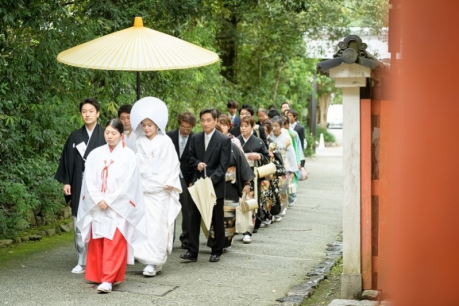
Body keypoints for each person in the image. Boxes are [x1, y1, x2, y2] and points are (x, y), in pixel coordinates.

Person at [76, 119, 147, 293]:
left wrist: (110, 199)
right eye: (107, 132)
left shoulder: (128, 155)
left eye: (114, 133)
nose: (109, 136)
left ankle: (108, 279)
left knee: (114, 242)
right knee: (98, 240)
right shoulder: (95, 154)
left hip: (118, 206)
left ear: (121, 135)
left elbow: (129, 183)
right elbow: (89, 179)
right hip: (97, 204)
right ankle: (101, 275)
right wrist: (98, 198)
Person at [131, 97, 182, 277]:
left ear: (157, 125)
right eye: (144, 125)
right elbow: (135, 165)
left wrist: (171, 181)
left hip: (161, 190)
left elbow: (173, 163)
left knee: (158, 226)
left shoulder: (165, 141)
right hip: (144, 189)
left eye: (150, 125)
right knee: (143, 225)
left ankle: (155, 260)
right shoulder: (139, 142)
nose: (146, 128)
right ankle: (148, 260)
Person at [54, 97, 106, 274]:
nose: (87, 114)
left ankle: (98, 260)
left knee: (99, 221)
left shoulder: (106, 134)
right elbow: (66, 160)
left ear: (98, 113)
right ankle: (81, 260)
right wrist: (66, 181)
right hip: (78, 183)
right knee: (79, 222)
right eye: (84, 111)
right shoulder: (75, 136)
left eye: (91, 111)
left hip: (99, 185)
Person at [180, 108, 231, 263]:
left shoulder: (223, 140)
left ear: (215, 121)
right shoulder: (195, 138)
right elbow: (190, 158)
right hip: (198, 183)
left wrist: (210, 180)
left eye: (209, 120)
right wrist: (198, 164)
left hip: (214, 185)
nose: (206, 123)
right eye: (203, 120)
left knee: (216, 217)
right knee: (194, 216)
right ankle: (192, 250)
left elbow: (223, 166)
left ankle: (216, 250)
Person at [207, 115, 253, 249]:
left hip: (229, 183)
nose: (221, 128)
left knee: (228, 214)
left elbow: (242, 163)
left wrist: (247, 183)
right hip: (215, 182)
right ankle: (214, 240)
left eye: (223, 125)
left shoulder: (234, 144)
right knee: (214, 213)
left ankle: (226, 241)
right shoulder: (210, 144)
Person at [166, 111, 196, 250]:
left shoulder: (195, 139)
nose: (185, 130)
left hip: (186, 177)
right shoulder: (169, 136)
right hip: (170, 176)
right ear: (179, 124)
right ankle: (168, 239)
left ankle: (186, 238)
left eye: (188, 128)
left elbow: (196, 160)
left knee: (187, 209)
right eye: (183, 127)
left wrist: (193, 180)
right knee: (168, 208)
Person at [237, 116, 270, 241]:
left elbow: (267, 157)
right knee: (239, 201)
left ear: (252, 127)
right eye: (242, 126)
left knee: (251, 202)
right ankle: (239, 227)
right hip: (238, 175)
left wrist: (259, 156)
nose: (243, 128)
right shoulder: (236, 140)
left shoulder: (258, 142)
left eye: (246, 126)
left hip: (252, 176)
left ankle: (248, 231)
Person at [270, 116, 298, 222]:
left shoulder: (286, 138)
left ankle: (281, 210)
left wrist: (291, 170)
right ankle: (273, 211)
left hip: (284, 165)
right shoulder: (270, 136)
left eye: (276, 126)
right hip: (273, 165)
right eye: (273, 126)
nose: (274, 128)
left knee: (282, 188)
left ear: (281, 126)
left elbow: (291, 154)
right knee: (273, 189)